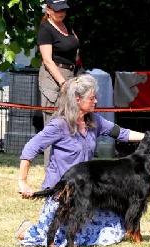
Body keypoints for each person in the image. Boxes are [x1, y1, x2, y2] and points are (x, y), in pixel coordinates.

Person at [15, 74, 145, 247]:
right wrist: (22, 182)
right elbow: (30, 149)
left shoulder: (94, 121)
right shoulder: (59, 125)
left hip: (86, 191)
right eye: (91, 98)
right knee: (60, 238)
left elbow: (121, 133)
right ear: (77, 99)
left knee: (114, 231)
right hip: (62, 192)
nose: (96, 101)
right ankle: (29, 230)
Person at [37, 0, 82, 167]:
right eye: (57, 10)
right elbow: (48, 61)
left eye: (64, 9)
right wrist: (63, 82)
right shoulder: (45, 30)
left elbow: (75, 45)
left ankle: (69, 167)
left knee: (72, 122)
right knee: (53, 124)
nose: (61, 13)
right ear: (48, 10)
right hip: (54, 77)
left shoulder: (66, 25)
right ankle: (52, 171)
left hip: (71, 74)